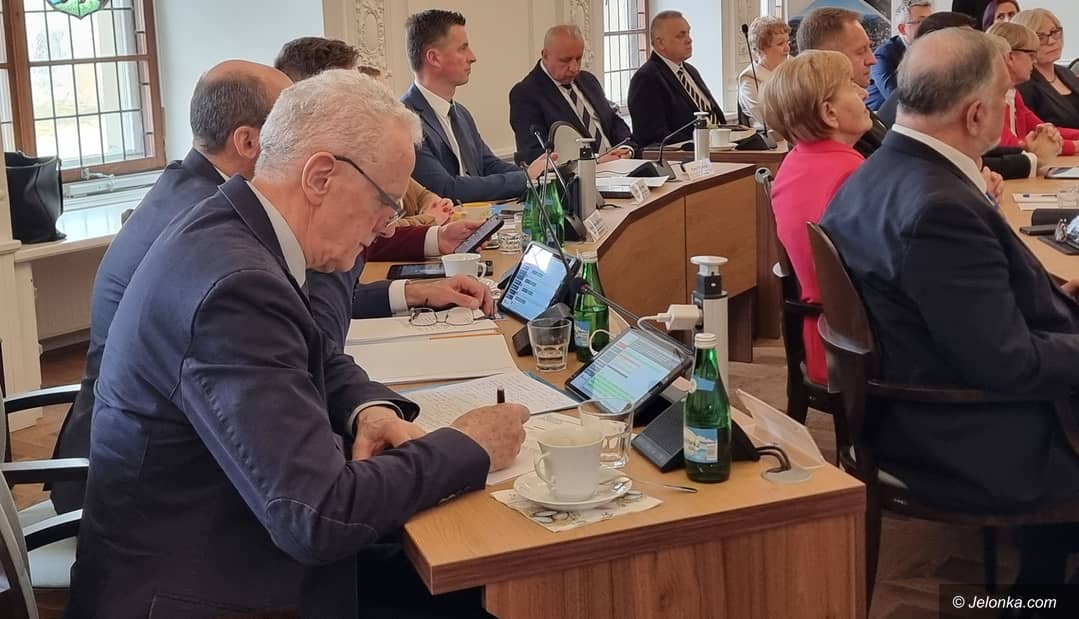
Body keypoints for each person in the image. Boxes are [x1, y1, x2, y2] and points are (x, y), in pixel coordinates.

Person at [65, 69, 529, 618]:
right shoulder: (236, 284)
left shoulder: (234, 226)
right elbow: (317, 516)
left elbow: (310, 353)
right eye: (386, 201)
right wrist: (470, 445)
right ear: (320, 177)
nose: (387, 227)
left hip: (230, 542)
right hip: (206, 588)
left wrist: (369, 410)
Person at [820, 27, 1079, 583]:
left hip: (915, 407)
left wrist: (1051, 298)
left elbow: (951, 310)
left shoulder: (876, 172)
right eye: (1004, 99)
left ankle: (1045, 572)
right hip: (967, 432)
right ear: (977, 114)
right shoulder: (940, 208)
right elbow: (1006, 364)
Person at [758, 50, 870, 386]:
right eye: (851, 86)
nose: (864, 92)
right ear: (829, 113)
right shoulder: (850, 171)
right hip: (854, 343)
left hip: (822, 336)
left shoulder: (795, 161)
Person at [274, 37, 455, 227]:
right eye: (351, 89)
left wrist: (431, 209)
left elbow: (419, 196)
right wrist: (429, 219)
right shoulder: (308, 166)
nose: (362, 99)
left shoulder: (355, 143)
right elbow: (380, 232)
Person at [401, 9, 551, 203]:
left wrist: (539, 174)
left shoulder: (461, 113)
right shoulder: (404, 120)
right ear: (434, 58)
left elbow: (489, 165)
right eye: (462, 48)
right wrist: (526, 178)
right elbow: (446, 189)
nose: (472, 57)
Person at [509, 24, 634, 164]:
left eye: (578, 58)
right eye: (565, 60)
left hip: (621, 165)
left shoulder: (588, 80)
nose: (574, 68)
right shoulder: (526, 94)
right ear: (545, 55)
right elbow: (535, 155)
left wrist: (625, 148)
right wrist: (595, 161)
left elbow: (613, 122)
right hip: (580, 174)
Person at [795, 7, 887, 158]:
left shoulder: (856, 112)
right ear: (828, 59)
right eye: (860, 51)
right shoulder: (841, 130)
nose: (872, 60)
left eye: (869, 48)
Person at [627, 10, 725, 147]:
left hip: (723, 146)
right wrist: (702, 142)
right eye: (681, 35)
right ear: (660, 43)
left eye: (688, 33)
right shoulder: (646, 79)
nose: (689, 40)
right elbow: (654, 136)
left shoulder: (690, 70)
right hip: (688, 153)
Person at [989, 22, 1076, 160]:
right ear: (1010, 57)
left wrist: (1051, 135)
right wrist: (1073, 146)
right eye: (1030, 55)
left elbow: (1040, 128)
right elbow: (1012, 145)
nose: (1035, 61)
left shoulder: (1014, 95)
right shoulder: (989, 98)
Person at [1013, 9, 1079, 130]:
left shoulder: (1066, 73)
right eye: (1041, 37)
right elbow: (1034, 131)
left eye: (1054, 32)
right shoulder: (1023, 84)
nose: (1052, 41)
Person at [866, 0, 933, 111]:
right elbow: (899, 101)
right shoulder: (884, 56)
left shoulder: (931, 51)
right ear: (902, 29)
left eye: (931, 21)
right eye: (921, 21)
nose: (930, 27)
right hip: (883, 118)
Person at [737, 16, 790, 128]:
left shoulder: (793, 67)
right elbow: (767, 119)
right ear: (761, 48)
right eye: (780, 44)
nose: (787, 49)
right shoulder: (749, 78)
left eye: (787, 42)